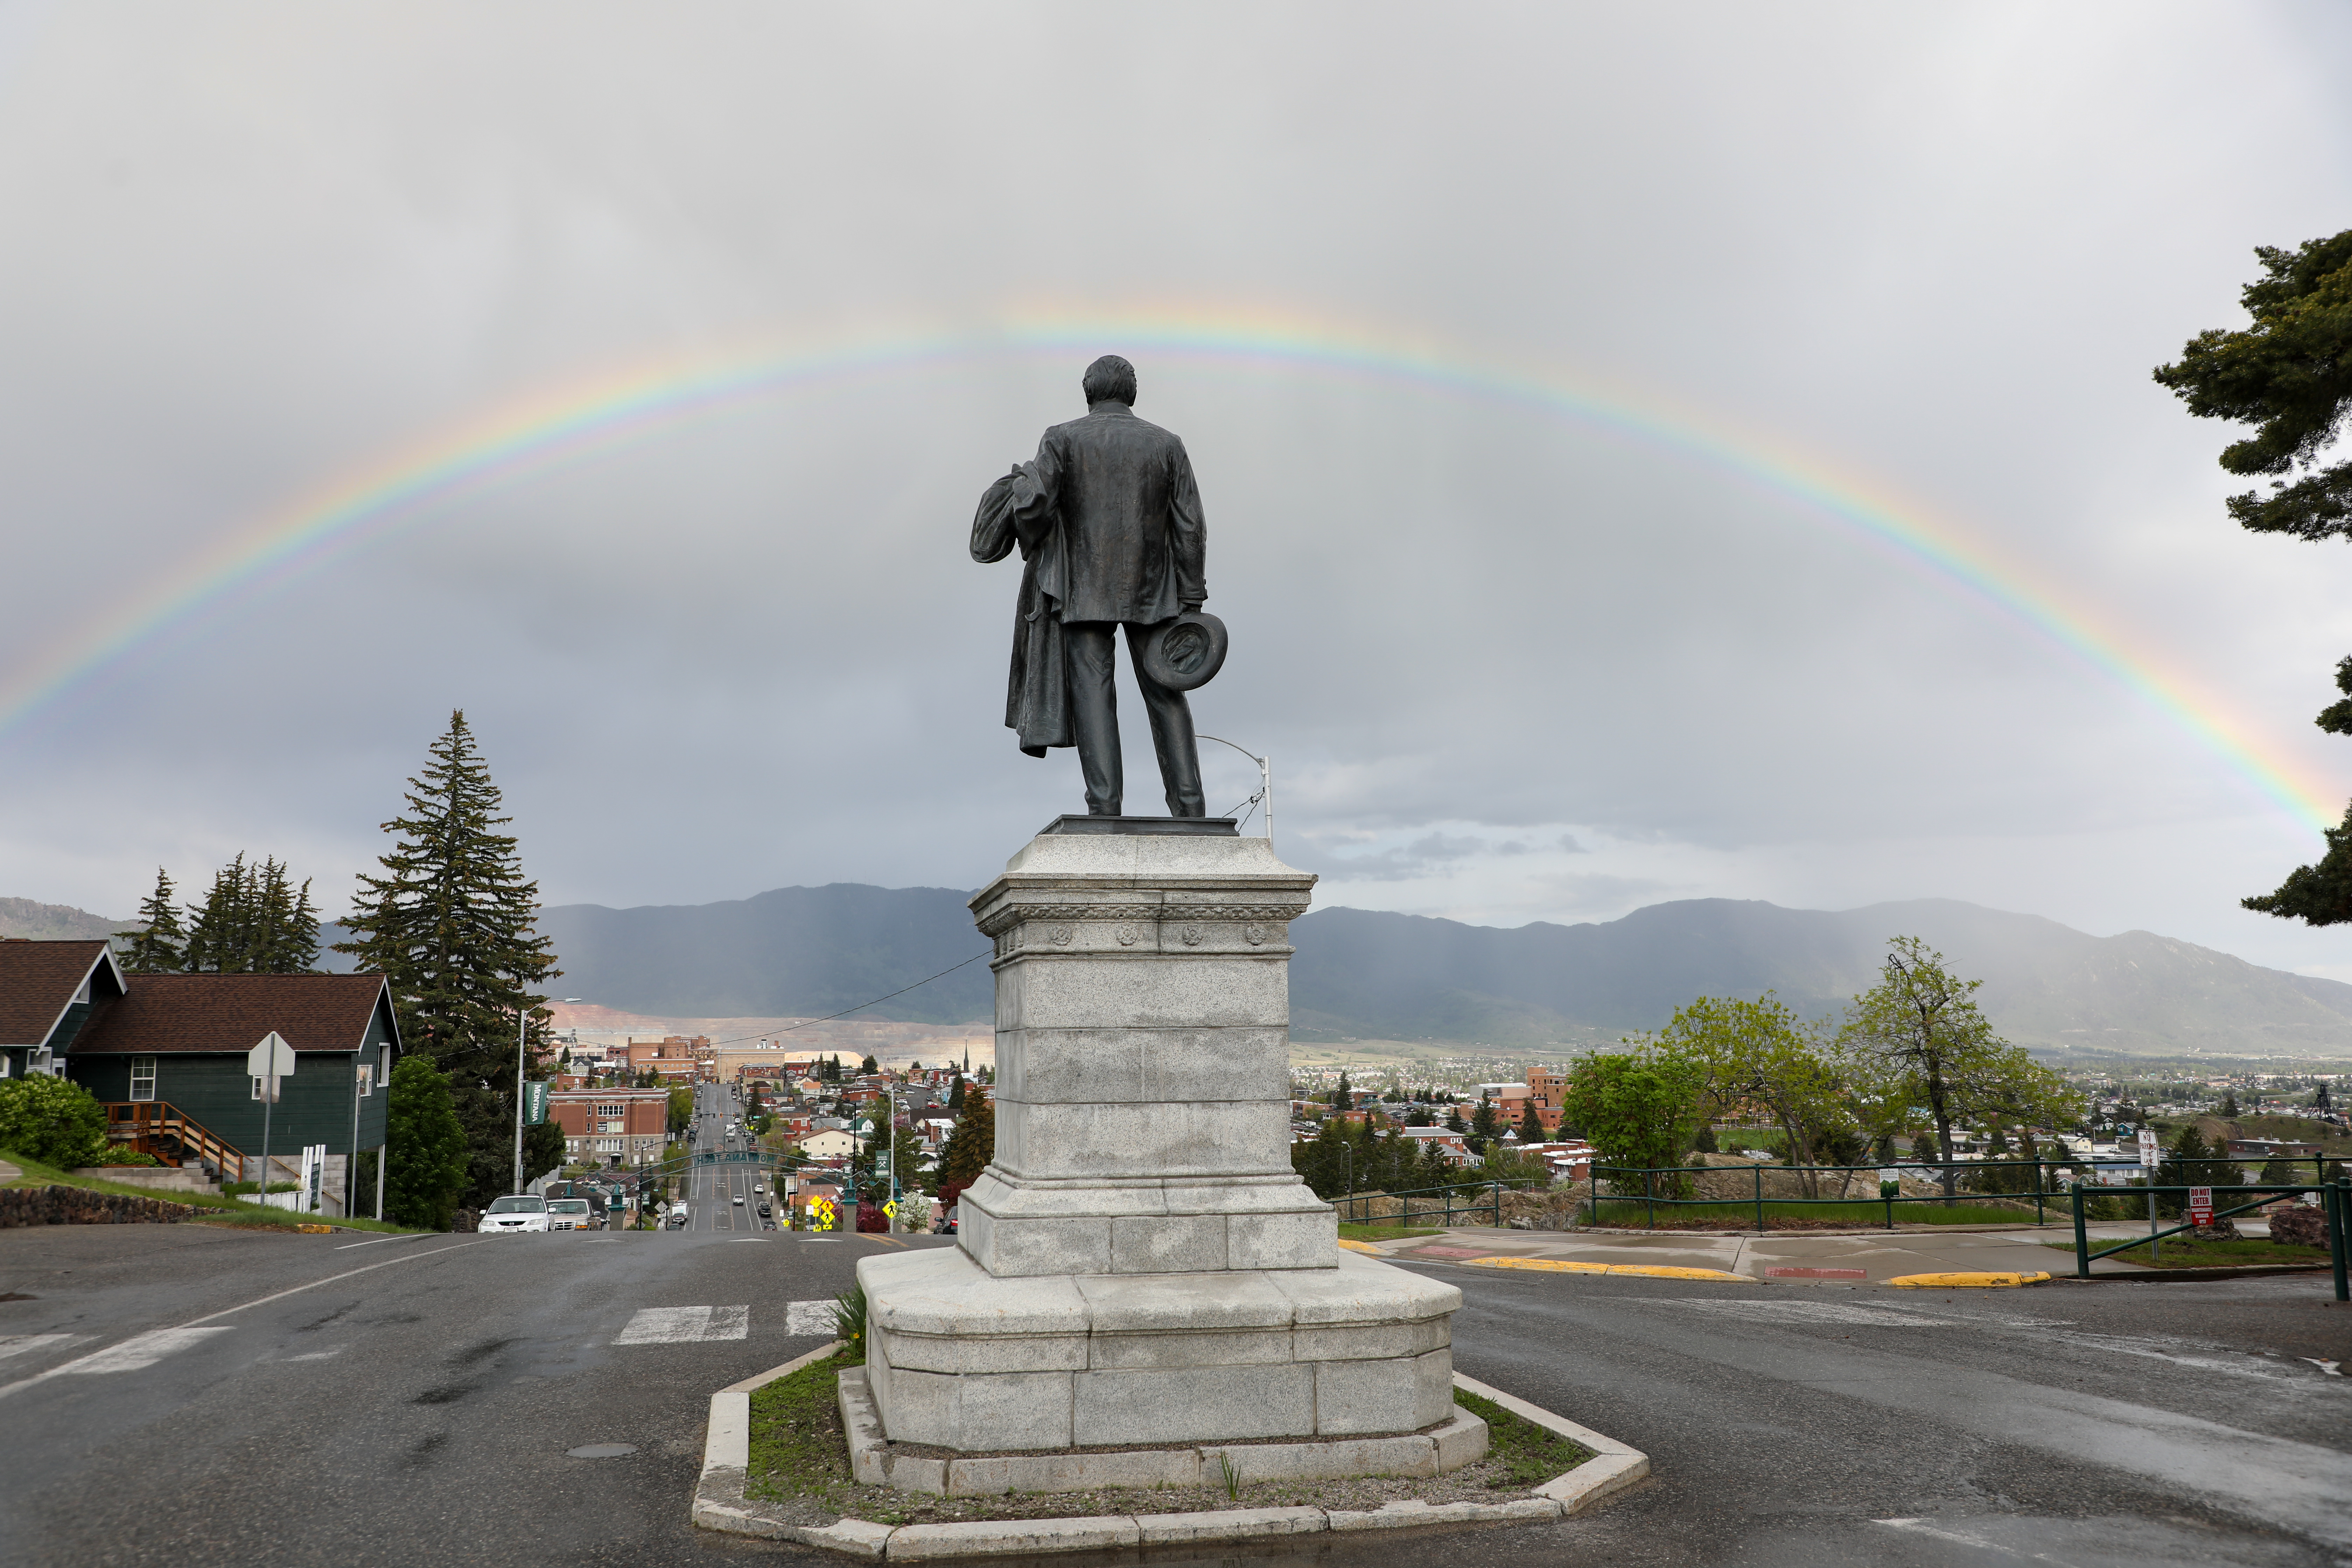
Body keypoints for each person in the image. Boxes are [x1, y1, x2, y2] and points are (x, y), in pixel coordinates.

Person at [971, 355, 1208, 816]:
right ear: (1132, 392)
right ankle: (1191, 805)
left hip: (1083, 589)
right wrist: (1192, 598)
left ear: (1088, 391)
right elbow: (1190, 525)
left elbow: (1037, 506)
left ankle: (1104, 806)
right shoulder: (1168, 445)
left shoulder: (1061, 439)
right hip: (1156, 591)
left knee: (1093, 694)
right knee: (1166, 692)